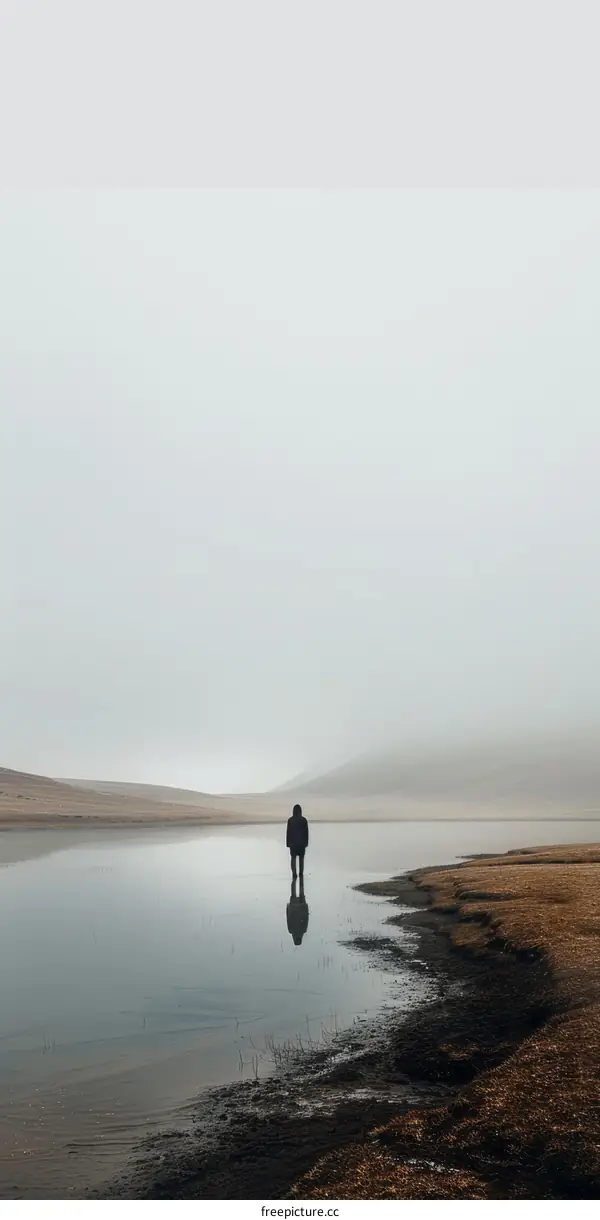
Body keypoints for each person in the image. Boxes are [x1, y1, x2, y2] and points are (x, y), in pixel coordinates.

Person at [286, 803, 309, 879]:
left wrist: (288, 843)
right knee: (301, 859)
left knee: (293, 858)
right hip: (301, 843)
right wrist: (306, 843)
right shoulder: (303, 820)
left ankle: (294, 874)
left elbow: (288, 832)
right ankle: (301, 873)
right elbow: (306, 833)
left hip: (293, 843)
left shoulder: (290, 820)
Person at [286, 877, 309, 945]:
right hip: (293, 907)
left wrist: (306, 907)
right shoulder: (291, 930)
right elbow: (288, 917)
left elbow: (306, 918)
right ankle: (295, 876)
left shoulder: (303, 930)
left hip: (301, 907)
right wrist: (288, 908)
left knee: (301, 889)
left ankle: (296, 876)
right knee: (294, 891)